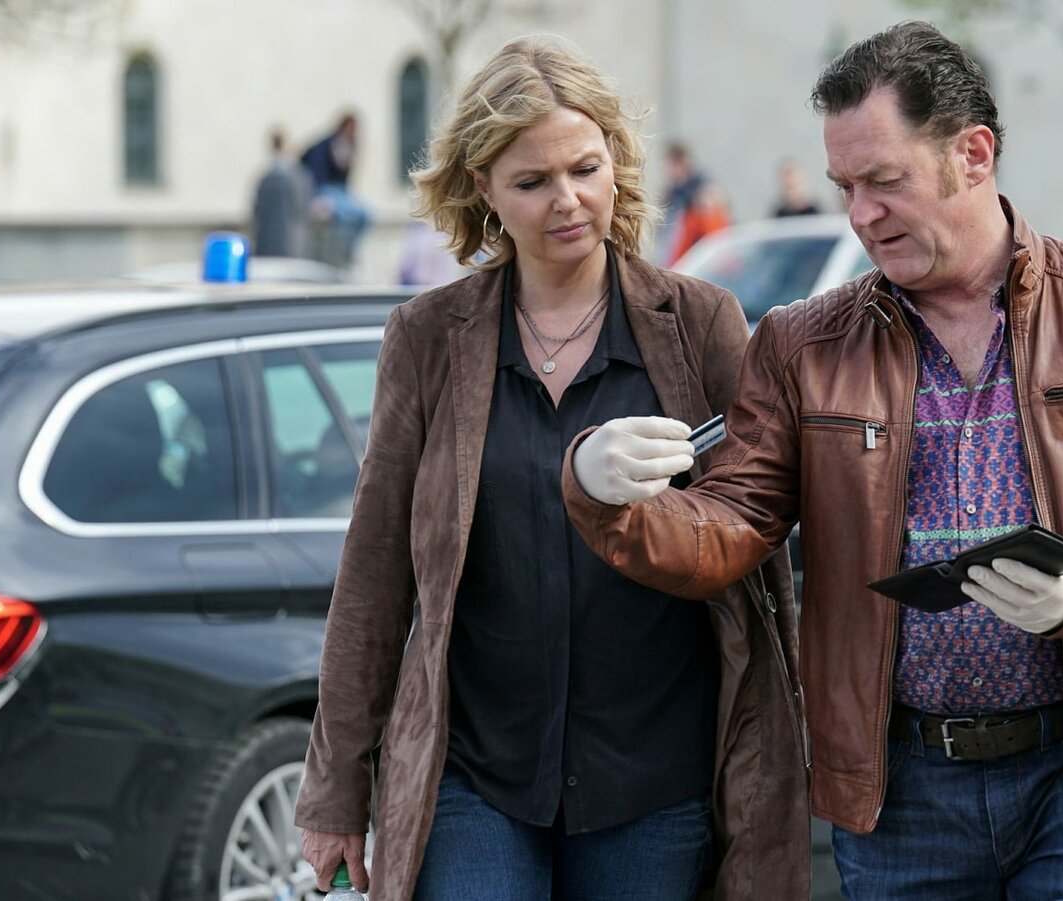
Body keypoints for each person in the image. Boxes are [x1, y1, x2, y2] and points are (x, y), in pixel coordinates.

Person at [564, 20, 1063, 899]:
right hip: (900, 794)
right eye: (845, 187)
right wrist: (603, 494)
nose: (859, 215)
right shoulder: (802, 344)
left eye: (884, 181)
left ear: (974, 154)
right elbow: (731, 523)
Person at [291, 37, 808, 901]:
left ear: (616, 163)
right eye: (532, 181)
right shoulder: (428, 338)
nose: (567, 200)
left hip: (654, 775)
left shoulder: (699, 323)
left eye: (585, 168)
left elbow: (753, 529)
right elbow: (375, 572)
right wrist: (337, 787)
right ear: (483, 189)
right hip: (477, 773)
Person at [301, 113, 371, 266]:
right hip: (324, 190)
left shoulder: (348, 146)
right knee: (343, 216)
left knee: (364, 216)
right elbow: (315, 172)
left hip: (339, 191)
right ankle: (338, 257)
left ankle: (347, 254)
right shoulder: (326, 146)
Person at [250, 129, 312, 258]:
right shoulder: (297, 175)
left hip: (271, 239)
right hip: (292, 239)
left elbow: (257, 209)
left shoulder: (268, 176)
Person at [668, 180, 731, 265]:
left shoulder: (723, 224)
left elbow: (717, 242)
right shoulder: (693, 223)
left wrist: (712, 215)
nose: (708, 203)